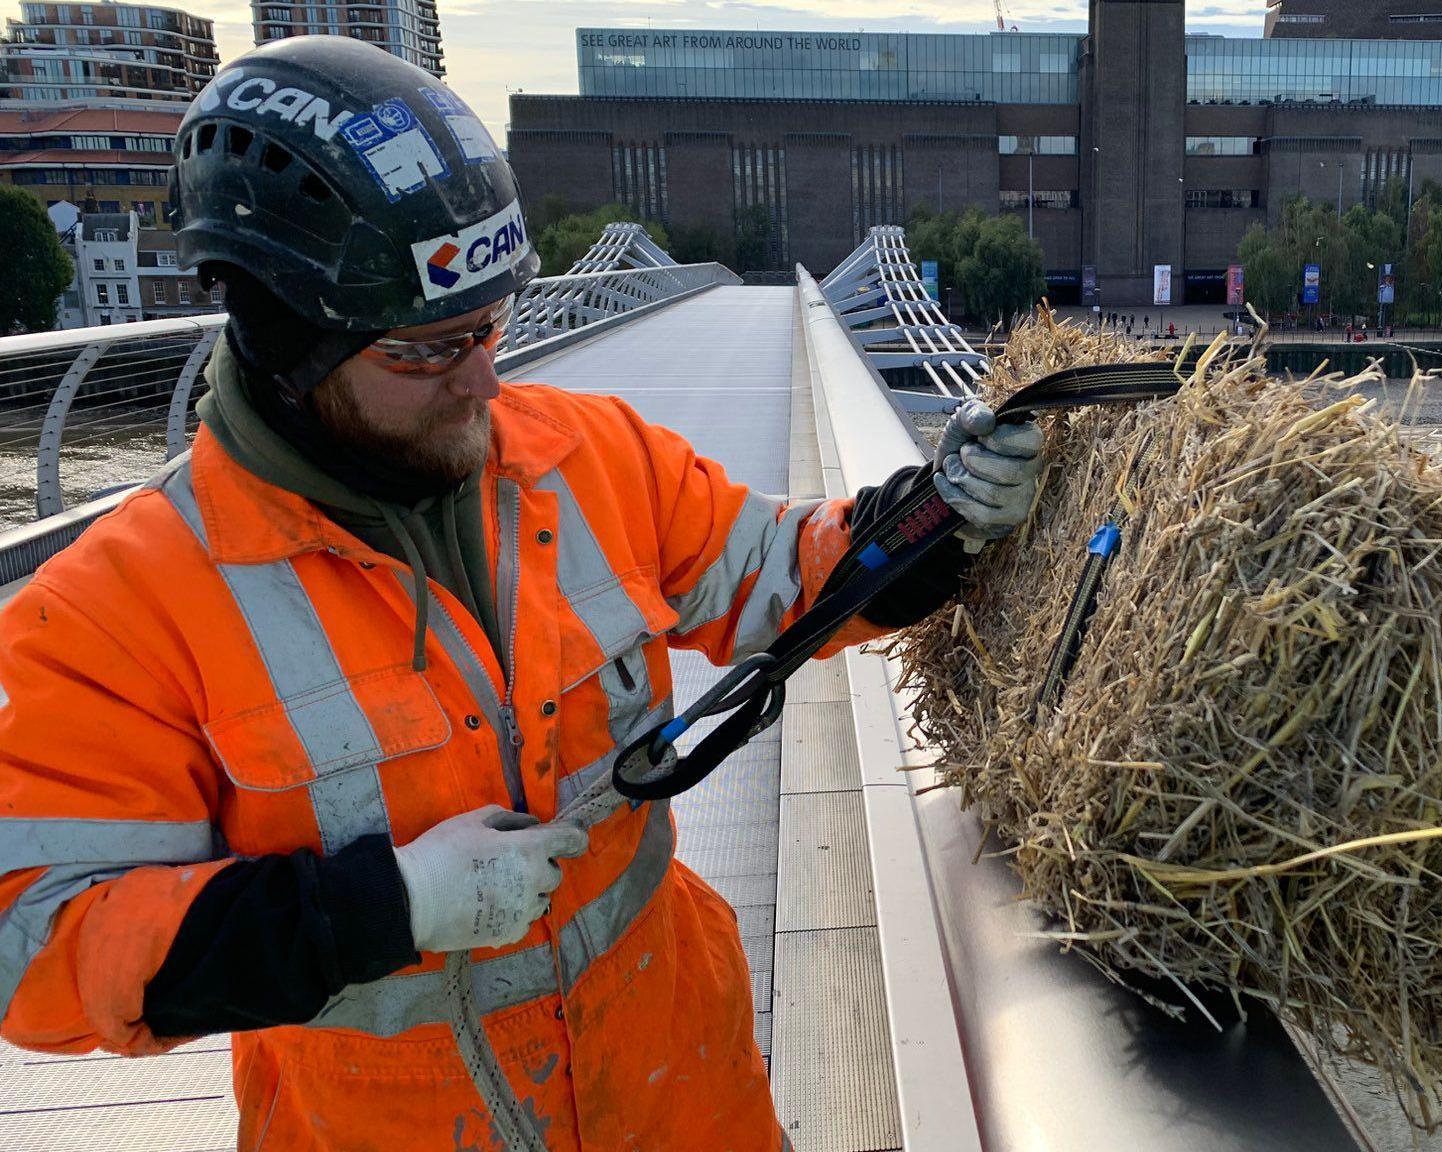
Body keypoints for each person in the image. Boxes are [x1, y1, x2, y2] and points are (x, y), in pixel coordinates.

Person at [0, 38, 1046, 1152]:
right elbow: (41, 948)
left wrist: (943, 513)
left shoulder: (587, 459)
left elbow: (786, 577)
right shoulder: (114, 612)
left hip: (684, 1098)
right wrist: (380, 910)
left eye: (490, 327)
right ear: (283, 342)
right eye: (429, 351)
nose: (485, 379)